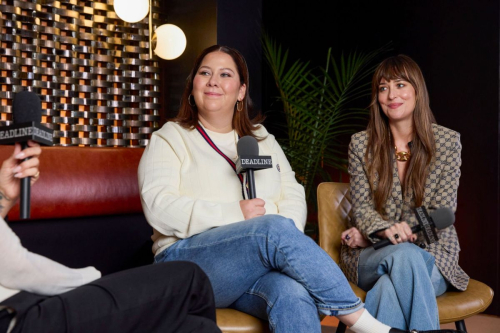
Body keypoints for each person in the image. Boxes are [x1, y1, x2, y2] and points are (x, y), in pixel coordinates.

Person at [138, 45, 458, 333]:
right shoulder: (170, 138)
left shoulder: (262, 140)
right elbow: (158, 208)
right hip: (190, 265)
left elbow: (292, 194)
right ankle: (365, 323)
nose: (212, 81)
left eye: (225, 74)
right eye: (204, 73)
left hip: (257, 267)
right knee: (271, 229)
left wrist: (277, 232)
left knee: (294, 295)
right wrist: (239, 215)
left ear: (240, 90)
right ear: (192, 85)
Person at [0, 141, 222, 333]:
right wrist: (92, 281)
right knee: (190, 277)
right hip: (19, 320)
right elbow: (16, 266)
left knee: (196, 328)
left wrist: (4, 195)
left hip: (24, 309)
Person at [340, 54, 469, 331]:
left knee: (389, 287)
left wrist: (381, 234)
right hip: (372, 256)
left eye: (400, 85)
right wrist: (384, 231)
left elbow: (442, 212)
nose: (391, 95)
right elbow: (362, 207)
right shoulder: (361, 144)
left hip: (433, 254)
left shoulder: (447, 142)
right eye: (383, 88)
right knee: (405, 256)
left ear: (416, 90)